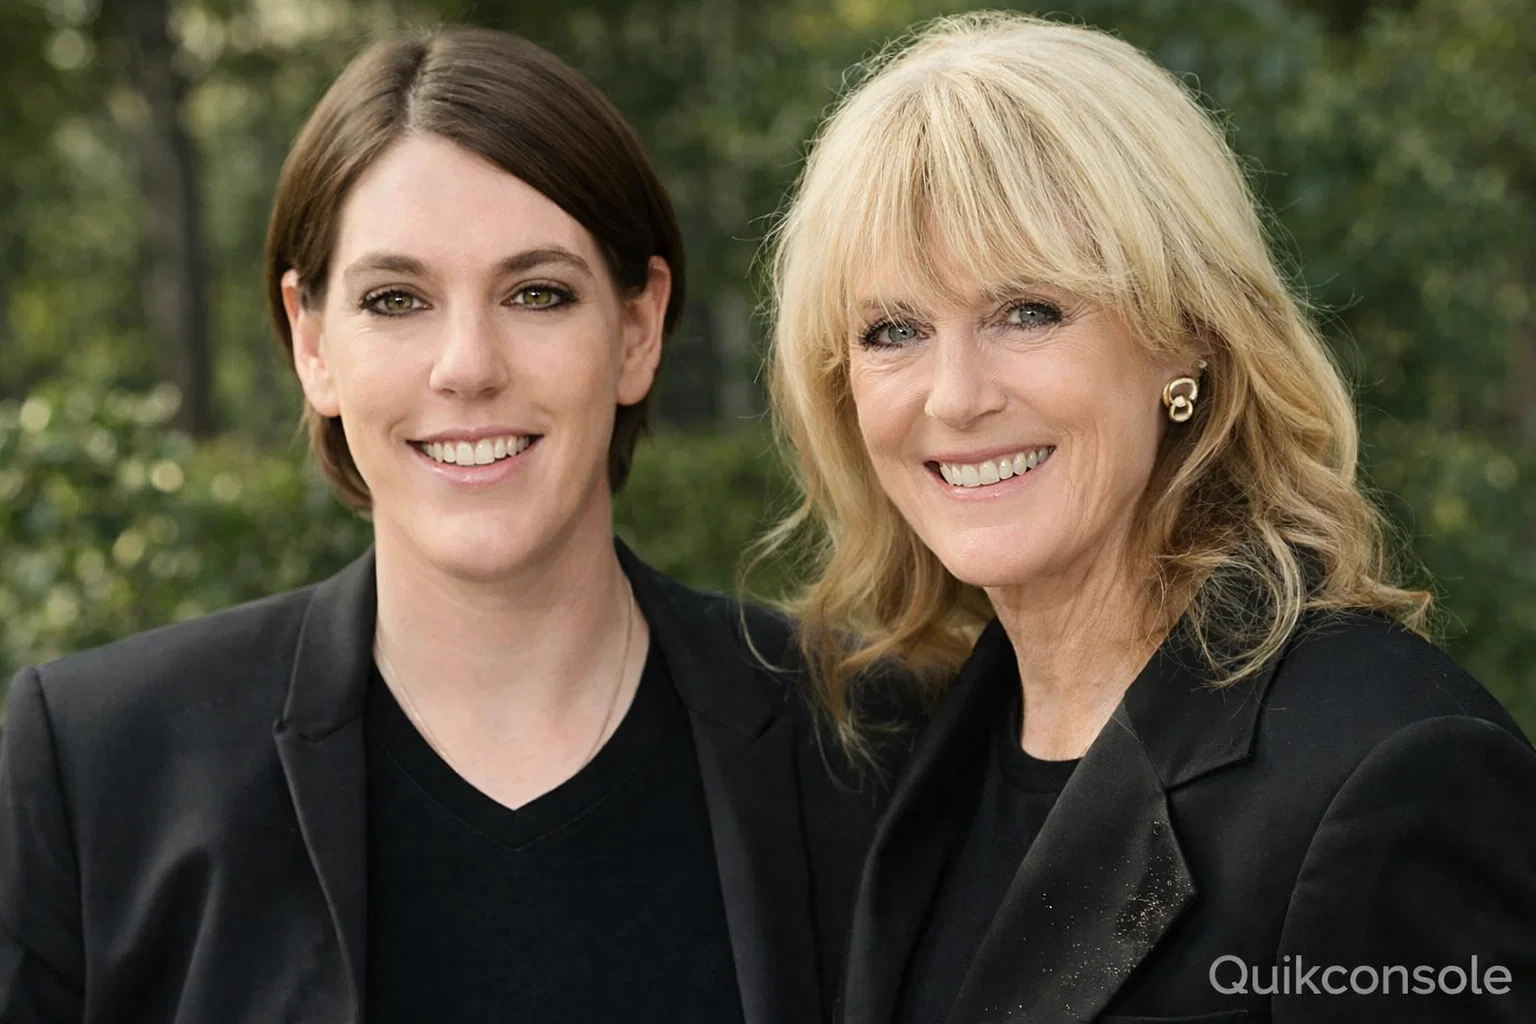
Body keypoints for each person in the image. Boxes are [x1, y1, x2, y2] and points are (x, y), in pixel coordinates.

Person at [0, 26, 893, 1024]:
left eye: (538, 293)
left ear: (638, 329)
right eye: (396, 299)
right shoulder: (101, 763)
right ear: (311, 340)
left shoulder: (868, 741)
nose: (467, 365)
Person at [764, 12, 1536, 1023]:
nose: (953, 397)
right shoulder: (911, 750)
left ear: (1186, 335)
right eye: (894, 330)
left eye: (1028, 311)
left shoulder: (1390, 773)